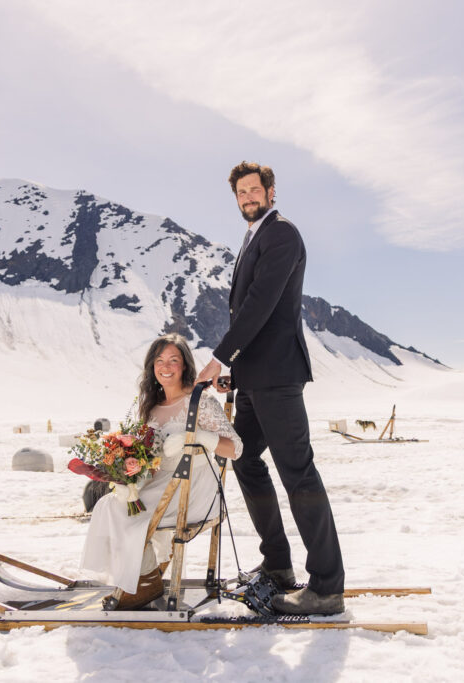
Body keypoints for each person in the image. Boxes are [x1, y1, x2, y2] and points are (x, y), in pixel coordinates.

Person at [196, 161, 346, 615]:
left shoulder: (282, 234)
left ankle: (326, 586)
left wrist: (220, 356)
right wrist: (234, 374)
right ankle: (278, 565)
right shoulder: (253, 237)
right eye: (240, 192)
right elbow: (252, 313)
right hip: (254, 380)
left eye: (253, 190)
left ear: (271, 192)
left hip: (279, 378)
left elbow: (260, 306)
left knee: (298, 473)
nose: (247, 198)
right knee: (243, 458)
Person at [80, 333, 241, 609]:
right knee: (111, 503)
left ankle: (143, 583)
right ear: (152, 368)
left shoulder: (200, 402)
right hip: (163, 483)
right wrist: (125, 475)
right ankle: (146, 579)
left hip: (196, 486)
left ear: (185, 366)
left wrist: (200, 437)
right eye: (159, 360)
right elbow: (149, 457)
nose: (166, 366)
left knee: (122, 511)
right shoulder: (151, 407)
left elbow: (236, 449)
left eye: (174, 360)